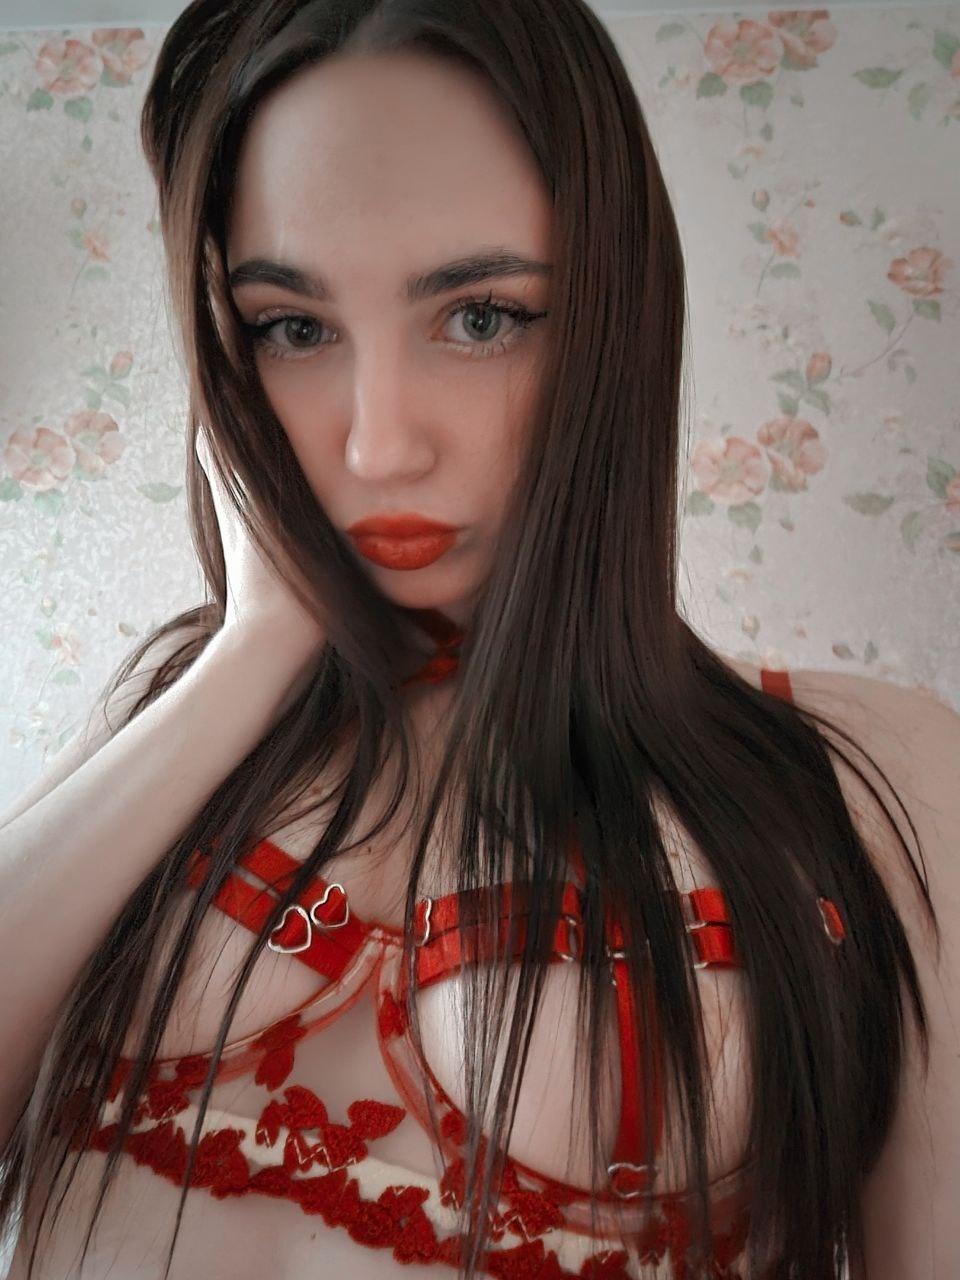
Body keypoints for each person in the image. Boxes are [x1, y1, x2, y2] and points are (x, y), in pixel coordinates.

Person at [0, 2, 956, 1278]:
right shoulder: (175, 709)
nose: (380, 443)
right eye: (294, 326)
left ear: (613, 323)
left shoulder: (869, 778)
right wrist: (246, 655)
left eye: (483, 316)